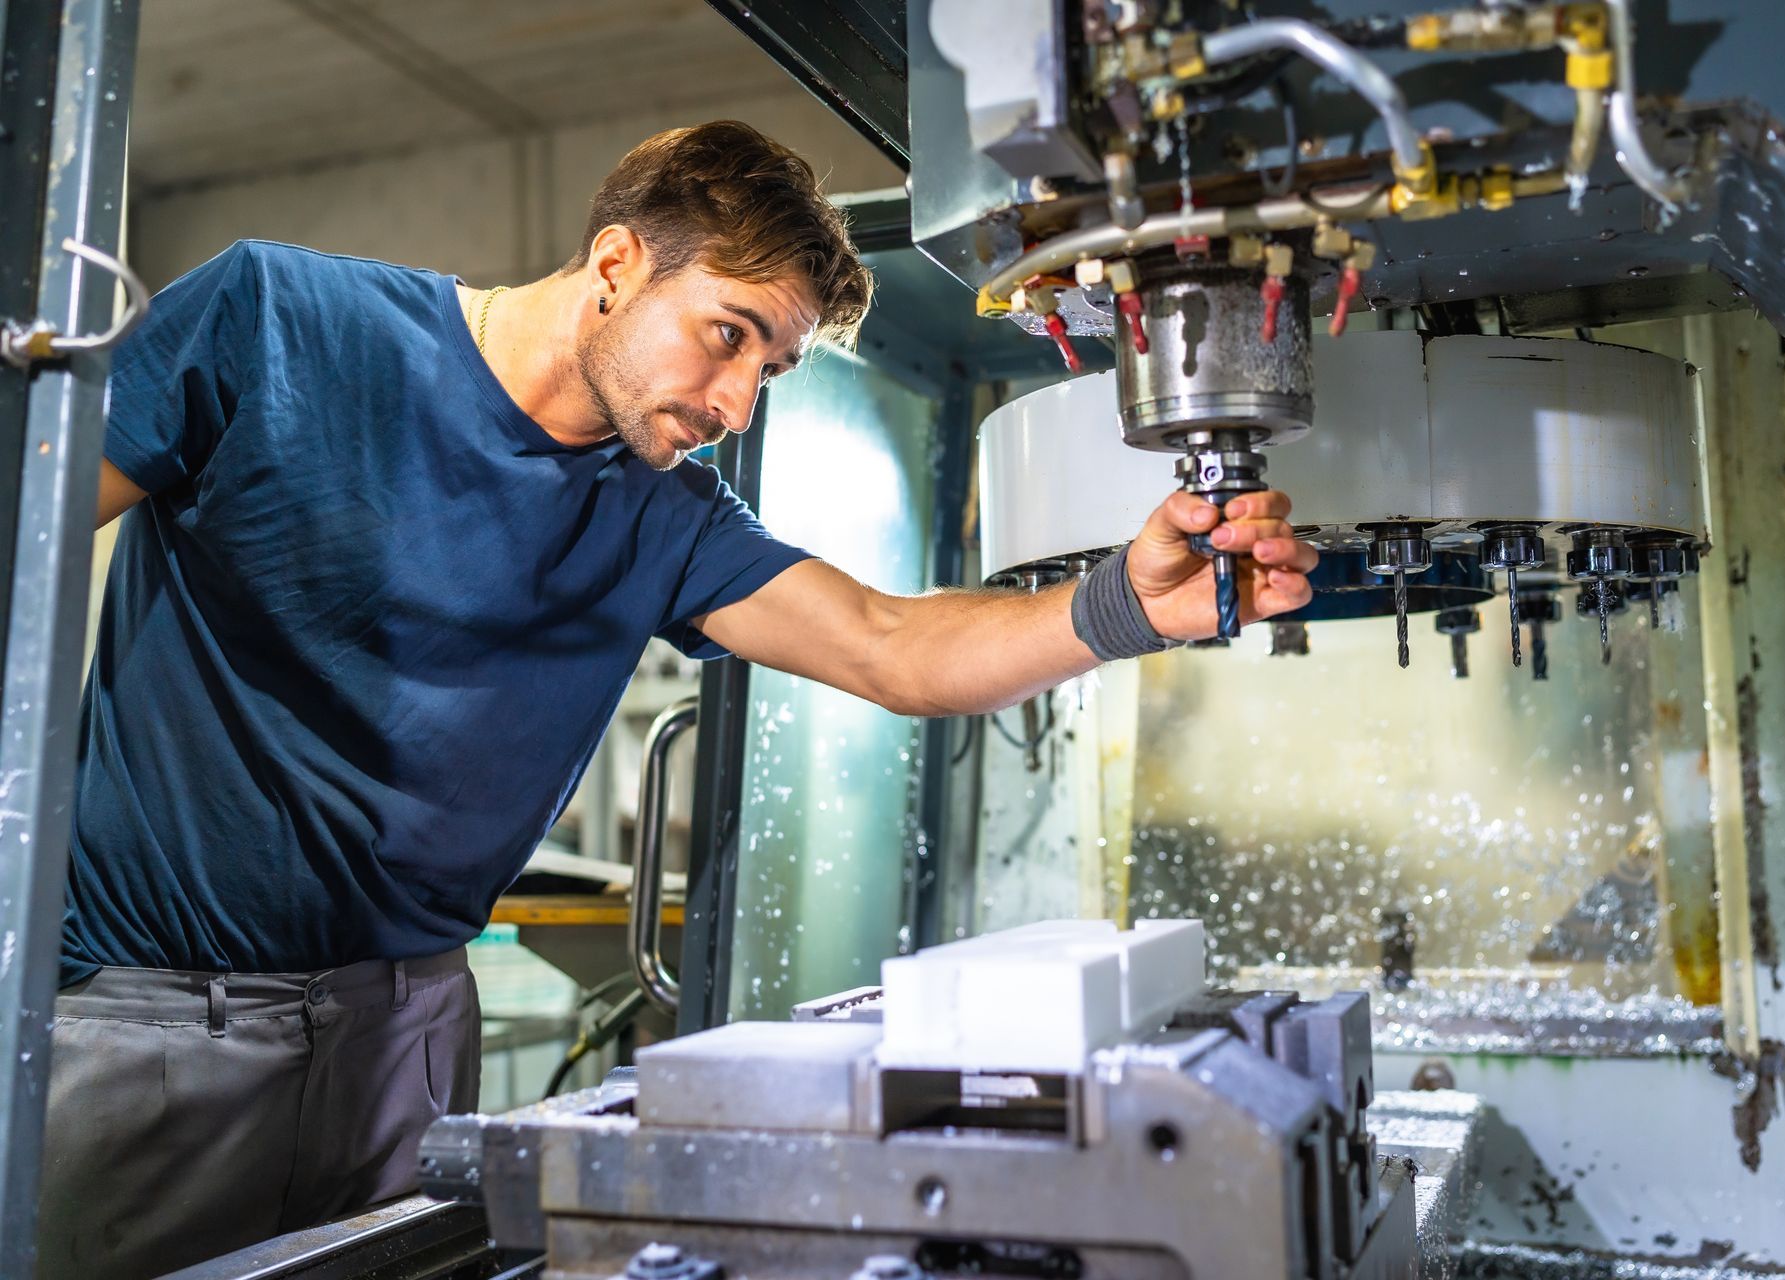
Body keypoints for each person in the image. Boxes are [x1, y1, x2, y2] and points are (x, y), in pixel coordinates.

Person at [39, 119, 1316, 1277]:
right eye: (729, 334)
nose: (737, 401)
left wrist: (1129, 606)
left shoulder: (663, 516)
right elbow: (22, 538)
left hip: (414, 1029)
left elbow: (887, 645)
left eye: (773, 365)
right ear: (614, 263)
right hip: (159, 1021)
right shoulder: (278, 324)